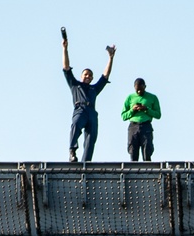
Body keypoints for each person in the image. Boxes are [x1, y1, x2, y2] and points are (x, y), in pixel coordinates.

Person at [61, 34, 116, 163]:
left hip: (91, 111)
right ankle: (72, 151)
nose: (87, 76)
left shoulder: (94, 89)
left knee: (91, 137)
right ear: (81, 76)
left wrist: (111, 58)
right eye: (85, 74)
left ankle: (87, 161)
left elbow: (105, 76)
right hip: (80, 108)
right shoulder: (75, 85)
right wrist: (65, 49)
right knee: (76, 124)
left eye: (90, 75)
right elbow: (66, 68)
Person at [121, 78, 162, 162]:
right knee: (133, 151)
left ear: (145, 87)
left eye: (141, 89)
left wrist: (146, 109)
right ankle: (133, 171)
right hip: (133, 126)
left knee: (147, 149)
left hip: (146, 125)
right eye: (137, 90)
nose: (139, 92)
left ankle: (148, 171)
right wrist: (133, 110)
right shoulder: (130, 97)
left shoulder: (152, 97)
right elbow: (123, 116)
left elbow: (158, 115)